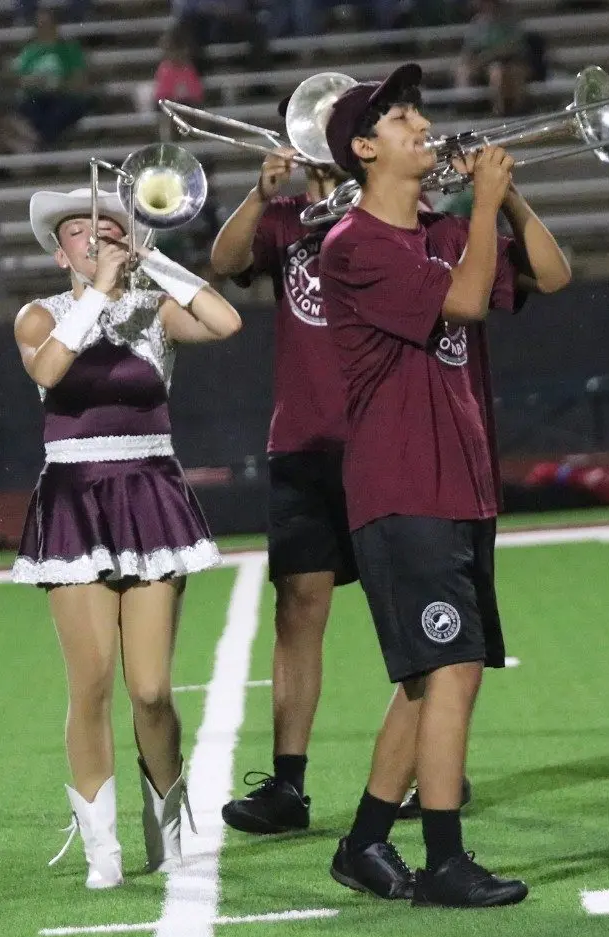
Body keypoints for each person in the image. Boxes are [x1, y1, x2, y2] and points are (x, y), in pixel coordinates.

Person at [319, 63, 571, 907]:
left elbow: (553, 275)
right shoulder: (352, 245)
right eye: (399, 118)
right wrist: (484, 206)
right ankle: (445, 863)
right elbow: (462, 305)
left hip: (459, 484)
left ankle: (362, 843)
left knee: (429, 678)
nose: (422, 124)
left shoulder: (442, 230)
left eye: (417, 112)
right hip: (402, 485)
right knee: (454, 669)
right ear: (364, 148)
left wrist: (510, 197)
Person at [11, 185, 242, 889]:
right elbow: (49, 369)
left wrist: (153, 260)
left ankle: (165, 827)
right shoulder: (39, 315)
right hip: (74, 500)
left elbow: (226, 321)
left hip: (149, 494)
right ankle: (100, 847)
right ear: (60, 254)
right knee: (92, 684)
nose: (94, 238)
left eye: (106, 228)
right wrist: (98, 293)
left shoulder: (155, 310)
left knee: (151, 690)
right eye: (77, 232)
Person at [211, 95, 359, 836]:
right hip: (301, 442)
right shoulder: (283, 220)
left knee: (405, 607)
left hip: (382, 442)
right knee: (298, 609)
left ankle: (429, 760)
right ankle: (289, 789)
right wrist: (260, 190)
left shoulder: (394, 213)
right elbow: (225, 262)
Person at [12, 9, 90, 148]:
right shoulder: (29, 51)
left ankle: (44, 144)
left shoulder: (69, 49)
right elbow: (19, 80)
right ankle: (47, 144)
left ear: (55, 26)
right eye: (40, 25)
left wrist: (58, 84)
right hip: (36, 98)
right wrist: (37, 82)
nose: (44, 29)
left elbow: (79, 79)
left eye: (47, 24)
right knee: (29, 110)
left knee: (62, 110)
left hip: (63, 96)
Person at [455, 0, 547, 116]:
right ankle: (500, 111)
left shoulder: (510, 22)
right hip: (488, 65)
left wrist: (490, 55)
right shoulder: (477, 24)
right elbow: (470, 51)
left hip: (513, 61)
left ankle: (518, 110)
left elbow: (514, 47)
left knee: (512, 72)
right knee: (496, 72)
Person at [154, 30, 204, 142]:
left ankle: (193, 140)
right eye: (173, 51)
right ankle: (169, 143)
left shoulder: (189, 69)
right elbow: (161, 95)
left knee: (192, 115)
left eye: (179, 51)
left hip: (187, 106)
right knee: (169, 118)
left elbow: (197, 94)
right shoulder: (165, 69)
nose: (177, 55)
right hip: (170, 107)